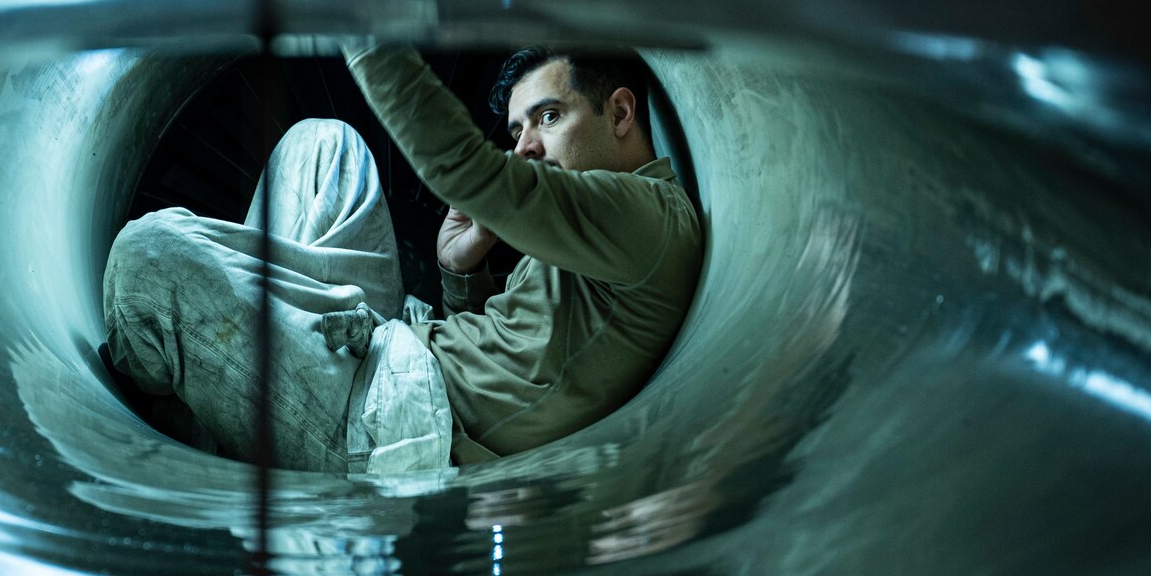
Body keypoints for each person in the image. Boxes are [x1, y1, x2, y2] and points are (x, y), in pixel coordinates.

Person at [102, 43, 702, 472]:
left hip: (389, 419)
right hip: (400, 342)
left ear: (620, 113)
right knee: (322, 145)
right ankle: (237, 393)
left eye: (548, 117)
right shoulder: (605, 233)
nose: (525, 149)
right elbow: (521, 350)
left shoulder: (649, 219)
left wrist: (365, 24)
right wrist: (459, 271)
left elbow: (470, 170)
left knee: (145, 257)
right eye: (517, 129)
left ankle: (189, 411)